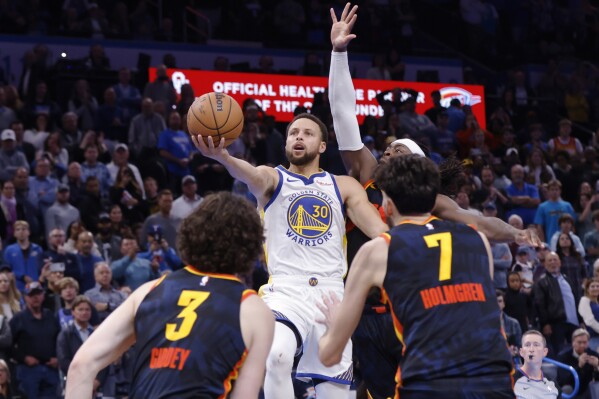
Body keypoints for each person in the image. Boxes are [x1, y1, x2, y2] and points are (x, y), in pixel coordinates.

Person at [326, 5, 537, 398]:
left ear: (416, 165)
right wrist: (339, 55)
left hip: (412, 313)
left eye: (396, 152)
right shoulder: (366, 176)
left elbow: (476, 222)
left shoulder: (429, 199)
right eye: (386, 150)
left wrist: (516, 234)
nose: (386, 154)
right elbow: (344, 116)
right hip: (364, 311)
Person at [192, 114, 388, 397]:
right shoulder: (273, 178)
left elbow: (380, 231)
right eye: (293, 133)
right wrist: (224, 157)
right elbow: (248, 173)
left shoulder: (343, 185)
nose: (298, 137)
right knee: (276, 356)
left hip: (331, 295)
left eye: (308, 133)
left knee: (334, 390)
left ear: (322, 146)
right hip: (285, 289)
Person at [318, 155, 513, 398]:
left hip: (428, 381)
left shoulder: (379, 250)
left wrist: (334, 323)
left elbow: (329, 355)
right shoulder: (478, 240)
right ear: (434, 200)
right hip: (494, 379)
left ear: (387, 205)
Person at [65, 192, 274, 399]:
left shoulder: (150, 290)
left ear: (190, 233)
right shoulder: (254, 309)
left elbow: (81, 366)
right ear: (250, 246)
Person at [514, 330, 560, 398]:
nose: (531, 349)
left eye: (536, 345)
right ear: (521, 352)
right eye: (527, 345)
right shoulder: (511, 380)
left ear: (545, 351)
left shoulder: (553, 384)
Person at [556, 328, 599, 397]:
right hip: (571, 390)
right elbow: (565, 381)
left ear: (588, 343)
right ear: (573, 343)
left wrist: (597, 367)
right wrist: (579, 366)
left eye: (585, 342)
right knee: (567, 388)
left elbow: (596, 380)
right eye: (579, 342)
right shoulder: (563, 357)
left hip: (588, 390)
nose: (582, 345)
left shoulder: (594, 355)